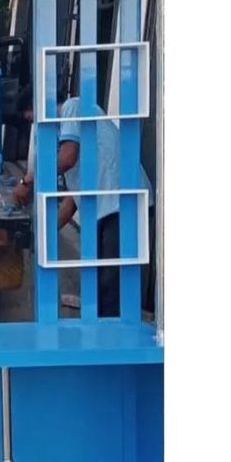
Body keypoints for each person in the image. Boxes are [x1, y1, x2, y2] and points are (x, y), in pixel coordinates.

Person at [13, 95, 155, 317]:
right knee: (101, 279)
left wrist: (27, 180)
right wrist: (41, 234)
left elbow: (67, 158)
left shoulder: (72, 107)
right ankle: (104, 327)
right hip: (109, 205)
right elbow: (73, 199)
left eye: (32, 118)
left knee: (112, 283)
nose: (34, 124)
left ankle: (113, 334)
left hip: (124, 201)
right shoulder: (67, 132)